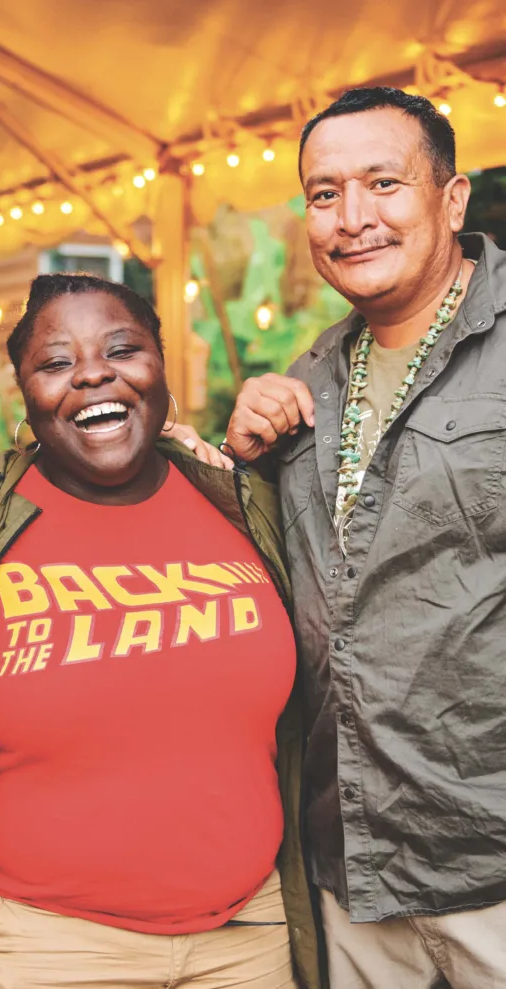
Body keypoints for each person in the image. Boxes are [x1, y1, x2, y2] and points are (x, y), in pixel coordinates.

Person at [0, 273, 322, 989]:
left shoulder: (241, 499)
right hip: (39, 945)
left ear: (161, 367)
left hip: (247, 938)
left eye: (122, 348)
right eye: (56, 363)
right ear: (24, 394)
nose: (92, 372)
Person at [225, 86, 506, 988]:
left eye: (384, 183)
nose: (353, 219)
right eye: (323, 193)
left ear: (451, 199)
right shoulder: (311, 381)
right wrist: (242, 458)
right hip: (352, 871)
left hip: (493, 869)